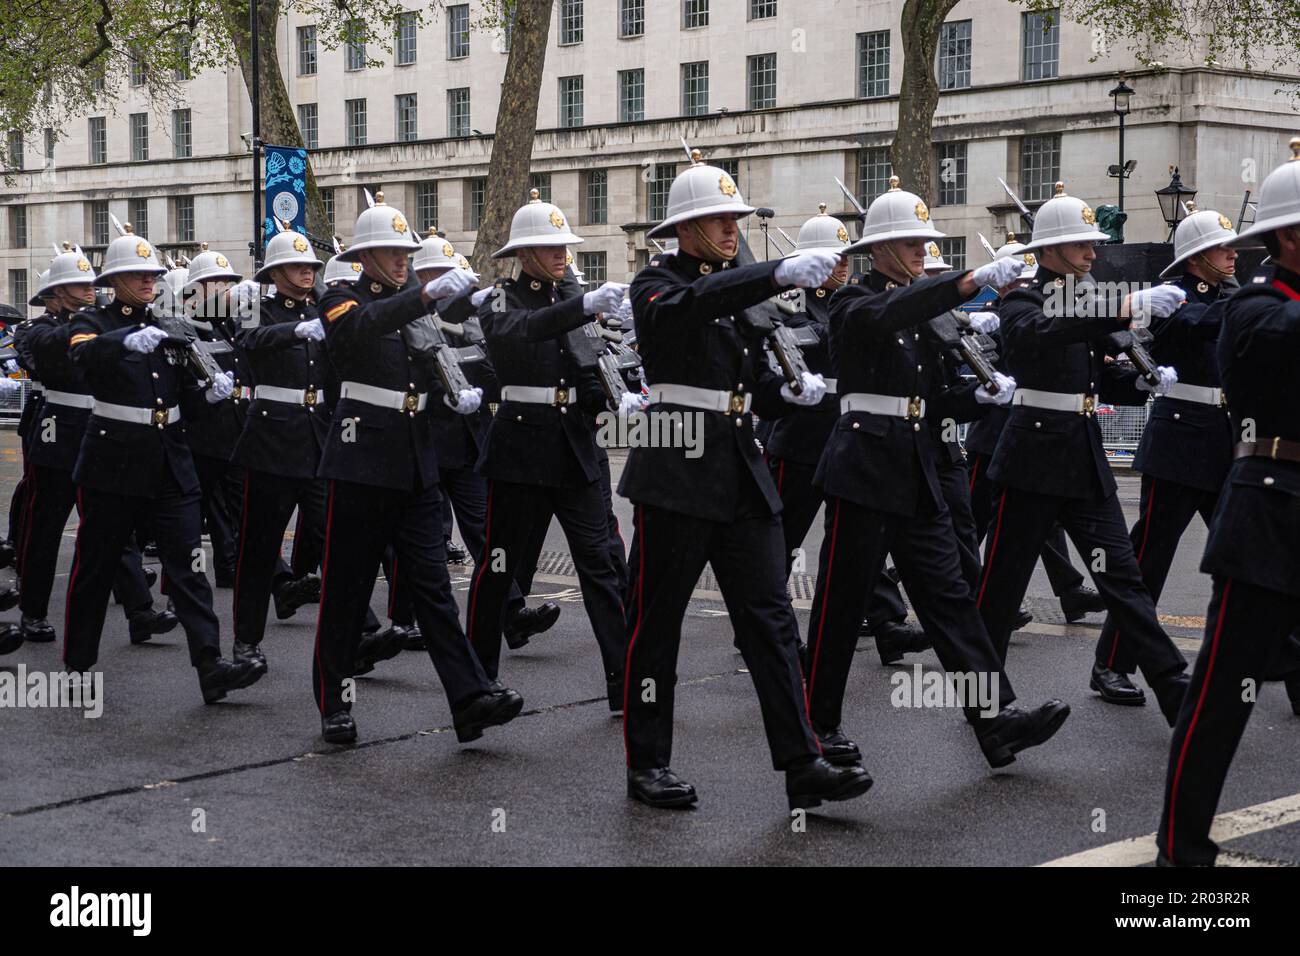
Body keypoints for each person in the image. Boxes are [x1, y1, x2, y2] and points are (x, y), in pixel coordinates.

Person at [624, 151, 872, 811]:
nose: (732, 228)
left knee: (768, 620)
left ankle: (801, 761)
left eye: (735, 218)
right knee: (657, 627)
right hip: (674, 471)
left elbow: (754, 391)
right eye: (717, 219)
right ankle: (647, 763)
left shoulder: (741, 292)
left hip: (739, 466)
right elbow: (691, 304)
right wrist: (774, 274)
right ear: (684, 227)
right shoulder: (655, 285)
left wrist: (798, 391)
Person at [806, 175, 1069, 771]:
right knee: (842, 604)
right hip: (864, 467)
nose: (924, 253)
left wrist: (986, 396)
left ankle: (995, 721)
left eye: (927, 245)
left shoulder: (924, 308)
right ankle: (818, 726)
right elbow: (890, 311)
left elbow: (936, 398)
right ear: (877, 250)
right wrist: (968, 280)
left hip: (918, 465)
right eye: (911, 244)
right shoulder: (854, 303)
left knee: (949, 599)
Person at [974, 183, 1191, 724]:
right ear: (1047, 251)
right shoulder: (1023, 298)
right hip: (1032, 459)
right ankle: (982, 696)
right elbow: (1038, 333)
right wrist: (1127, 306)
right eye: (1080, 245)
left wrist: (1142, 381)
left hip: (1082, 457)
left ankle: (1172, 685)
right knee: (1002, 585)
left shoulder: (1090, 305)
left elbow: (1095, 383)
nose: (1092, 253)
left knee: (1122, 576)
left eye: (1092, 245)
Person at [313, 192, 523, 745]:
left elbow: (427, 363)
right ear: (367, 254)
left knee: (432, 588)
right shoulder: (341, 296)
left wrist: (453, 393)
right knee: (346, 588)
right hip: (361, 462)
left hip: (416, 461)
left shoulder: (412, 301)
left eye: (407, 252)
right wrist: (425, 294)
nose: (404, 260)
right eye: (392, 251)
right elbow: (361, 329)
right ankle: (334, 702)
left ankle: (469, 697)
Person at [1158, 139, 1300, 865]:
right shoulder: (1253, 306)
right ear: (1288, 236)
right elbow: (1280, 340)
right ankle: (1180, 856)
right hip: (1271, 509)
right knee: (1220, 698)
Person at [63, 223, 264, 703]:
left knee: (189, 568)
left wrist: (209, 392)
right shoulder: (92, 323)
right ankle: (77, 665)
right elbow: (81, 359)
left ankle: (210, 664)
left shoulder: (171, 323)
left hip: (170, 461)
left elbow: (182, 392)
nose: (149, 281)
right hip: (114, 462)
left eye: (152, 274)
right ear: (115, 280)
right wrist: (121, 343)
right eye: (138, 275)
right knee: (96, 567)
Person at [465, 191, 630, 705]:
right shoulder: (499, 299)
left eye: (564, 246)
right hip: (520, 447)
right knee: (498, 568)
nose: (562, 254)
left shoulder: (568, 298)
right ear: (524, 253)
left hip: (574, 447)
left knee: (599, 565)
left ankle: (624, 681)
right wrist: (581, 306)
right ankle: (476, 682)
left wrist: (617, 394)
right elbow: (521, 330)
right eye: (550, 246)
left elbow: (585, 366)